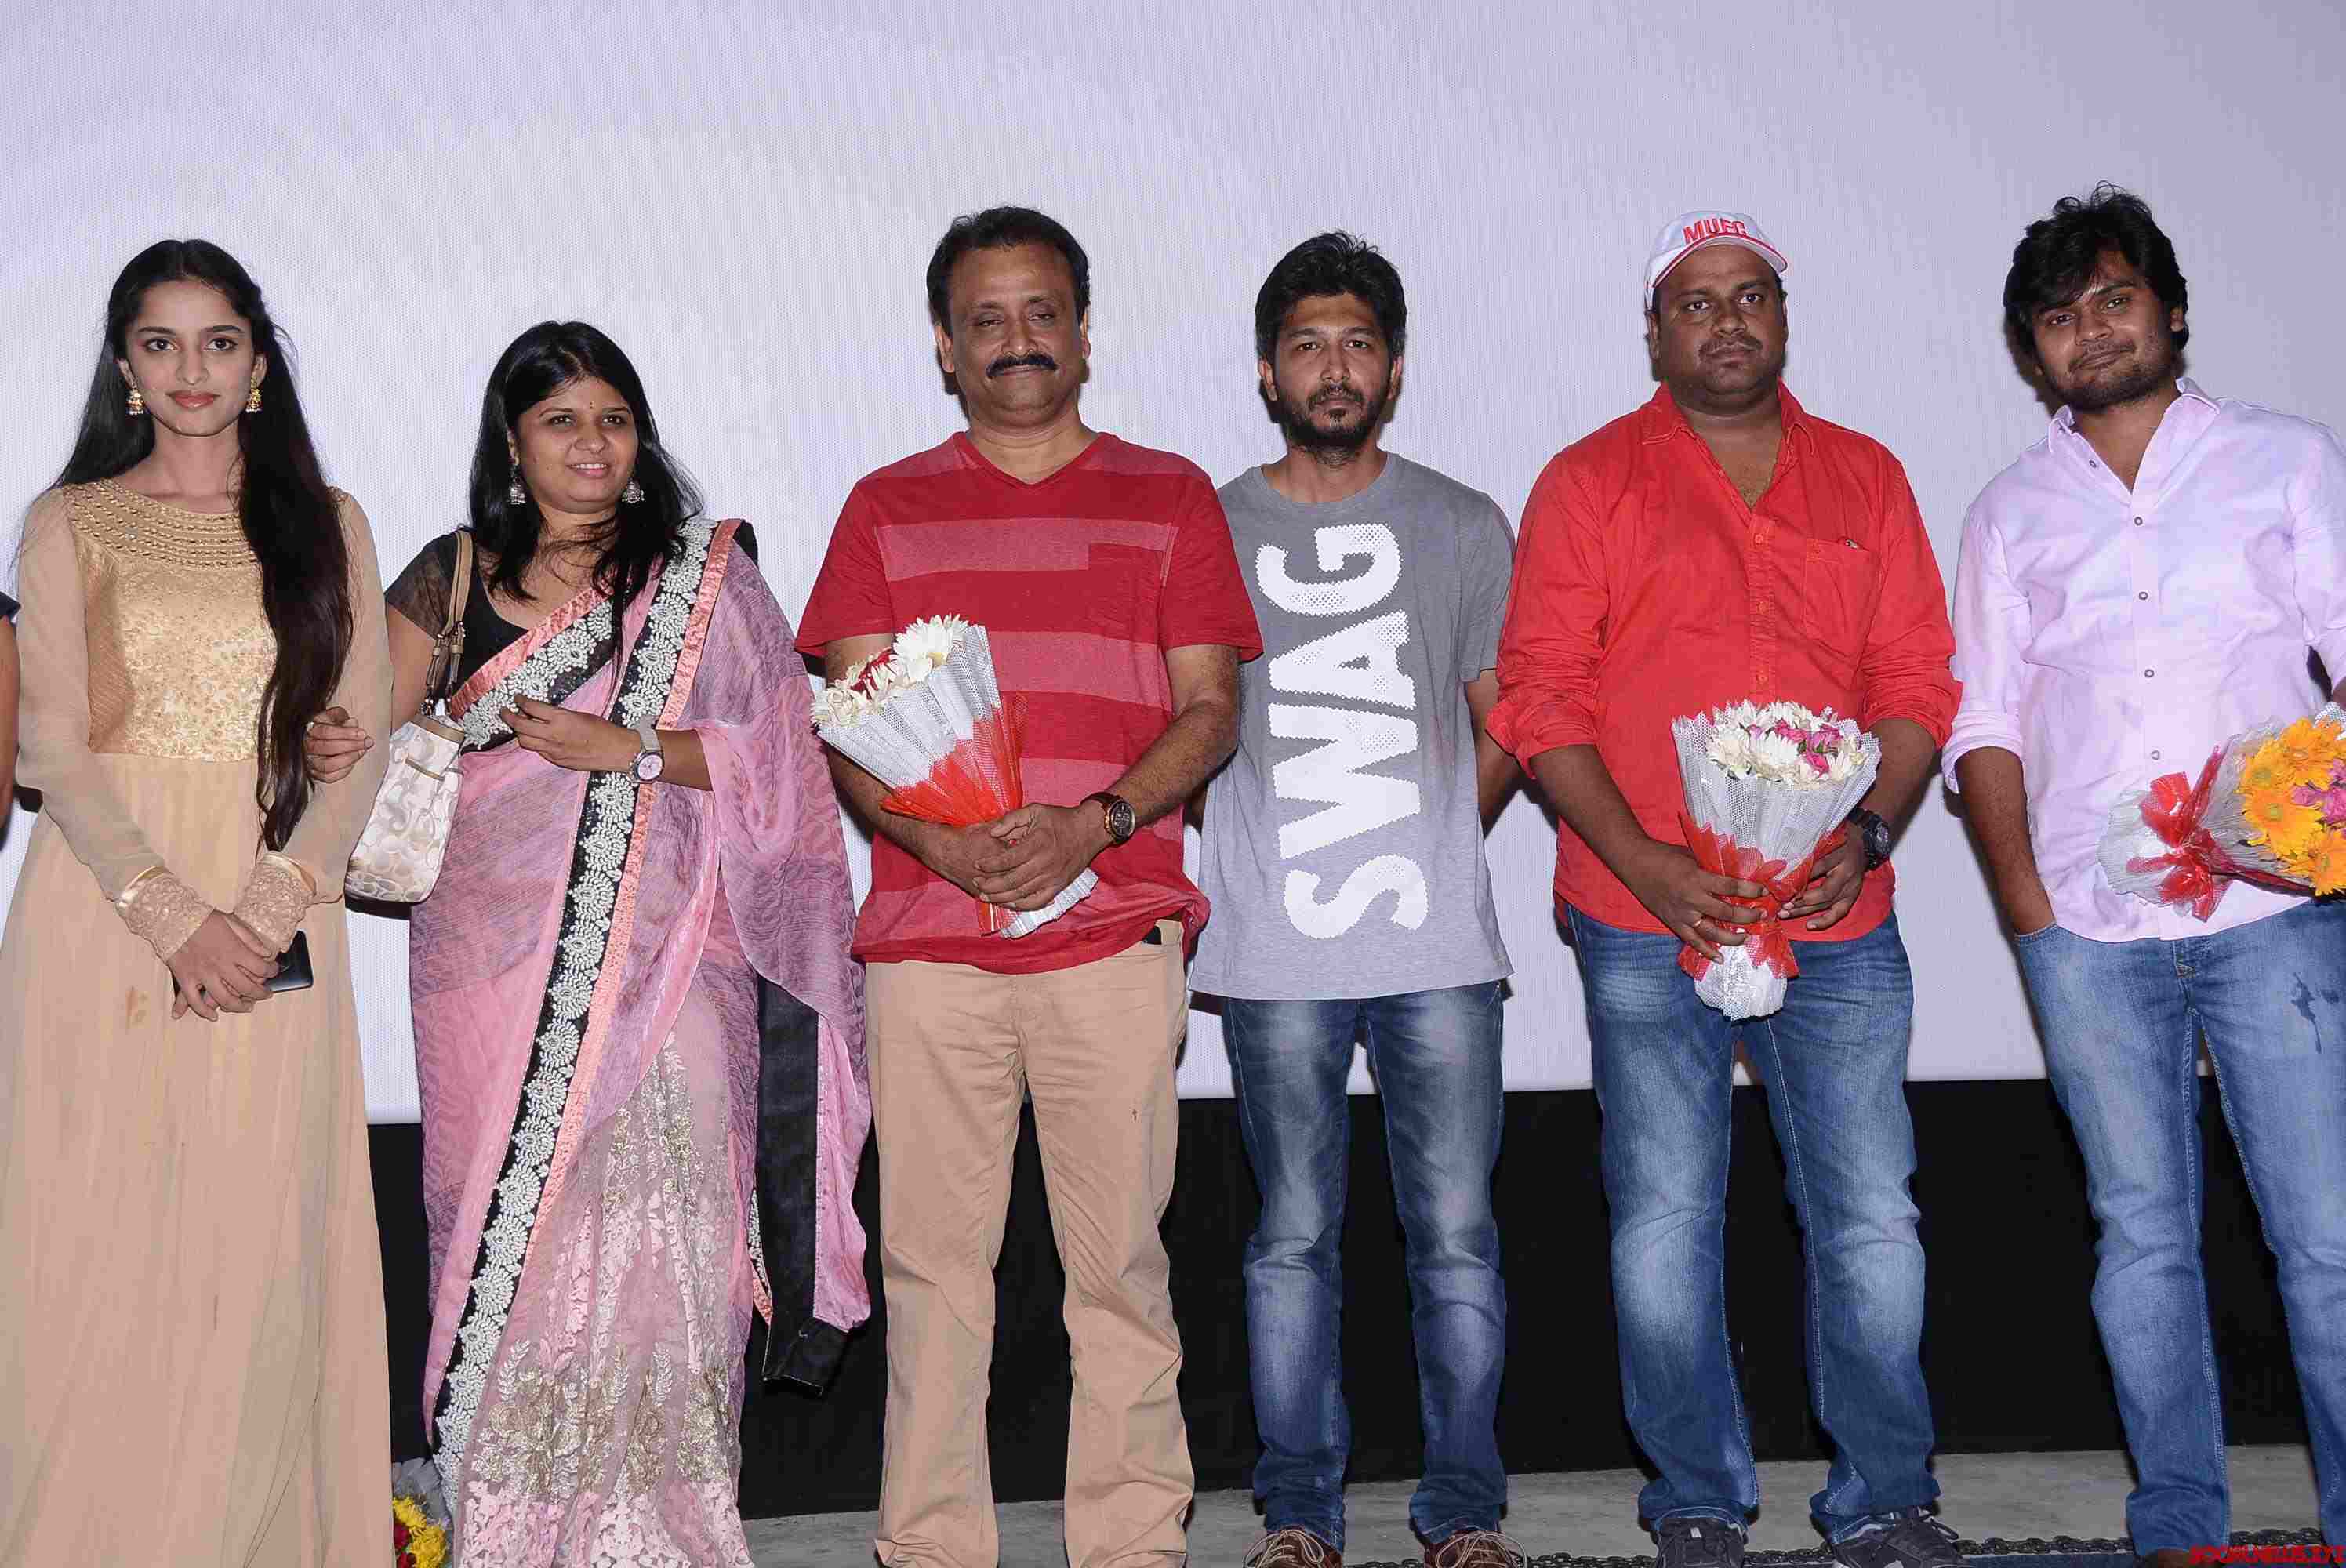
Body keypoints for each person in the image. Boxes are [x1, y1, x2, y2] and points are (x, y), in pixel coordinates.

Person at [303, 321, 868, 1566]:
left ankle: (659, 1533)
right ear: (513, 445)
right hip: (488, 969)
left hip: (678, 969)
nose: (593, 445)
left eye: (614, 419)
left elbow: (787, 756)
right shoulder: (452, 576)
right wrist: (327, 737)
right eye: (561, 421)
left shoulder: (707, 579)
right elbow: (359, 727)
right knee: (521, 1246)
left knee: (675, 1244)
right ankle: (505, 1532)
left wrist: (636, 749)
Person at [1488, 211, 1966, 1568]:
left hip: (1836, 914)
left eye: (1750, 296)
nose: (1728, 321)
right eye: (1695, 303)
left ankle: (1886, 1497)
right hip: (1647, 915)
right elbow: (1540, 696)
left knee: (1872, 1219)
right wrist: (1645, 862)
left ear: (1782, 316)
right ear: (1656, 333)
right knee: (1662, 1219)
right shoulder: (1589, 481)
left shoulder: (1867, 476)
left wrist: (1870, 829)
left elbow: (1917, 683)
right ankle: (1696, 1496)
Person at [796, 205, 1260, 1568]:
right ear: (946, 347)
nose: (1017, 341)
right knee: (934, 1276)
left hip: (1112, 935)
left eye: (1042, 313)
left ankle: (1134, 1546)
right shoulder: (885, 508)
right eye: (985, 320)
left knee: (1119, 1270)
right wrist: (939, 845)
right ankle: (934, 1548)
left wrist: (1096, 824)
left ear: (1084, 334)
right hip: (930, 949)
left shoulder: (1171, 495)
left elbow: (1212, 709)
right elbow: (853, 725)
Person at [1945, 186, 2346, 1560]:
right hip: (2088, 930)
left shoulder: (2285, 462)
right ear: (2032, 351)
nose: (2092, 331)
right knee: (2142, 1242)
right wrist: (2030, 914)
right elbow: (1984, 721)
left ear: (2172, 309)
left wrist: (2315, 825)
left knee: (2327, 1238)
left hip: (2274, 914)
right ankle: (2179, 1523)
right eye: (2059, 317)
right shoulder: (2010, 513)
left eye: (2115, 300)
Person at [0, 239, 394, 1563]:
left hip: (276, 897)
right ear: (124, 366)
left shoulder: (330, 524)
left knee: (256, 1247)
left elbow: (361, 744)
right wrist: (175, 919)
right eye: (159, 343)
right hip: (103, 907)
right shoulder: (68, 522)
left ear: (258, 364)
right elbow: (52, 750)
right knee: (90, 1243)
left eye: (217, 341)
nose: (190, 369)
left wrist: (263, 915)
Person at [1191, 233, 1519, 1568]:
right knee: (1290, 1243)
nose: (1336, 369)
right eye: (1309, 345)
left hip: (1439, 954)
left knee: (1458, 1243)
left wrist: (1434, 826)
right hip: (1275, 959)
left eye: (1360, 344)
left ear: (1393, 367)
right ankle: (1298, 1515)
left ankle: (1465, 1514)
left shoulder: (1463, 522)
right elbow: (1186, 718)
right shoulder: (1210, 526)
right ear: (1269, 371)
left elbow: (1509, 718)